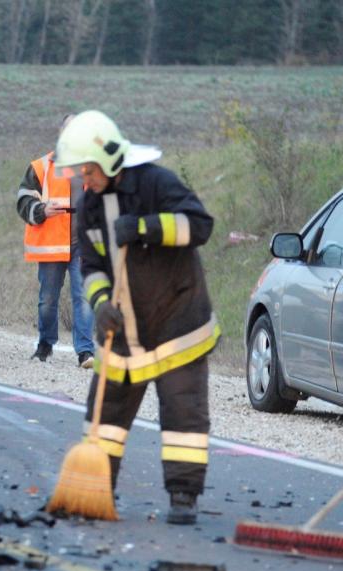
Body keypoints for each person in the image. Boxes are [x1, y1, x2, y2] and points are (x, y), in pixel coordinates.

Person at [55, 110, 219, 525]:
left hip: (176, 322)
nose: (84, 180)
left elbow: (199, 226)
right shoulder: (90, 206)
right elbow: (90, 266)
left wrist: (146, 228)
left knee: (183, 414)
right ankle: (96, 490)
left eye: (87, 171)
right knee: (104, 416)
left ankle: (183, 497)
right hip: (124, 328)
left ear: (108, 160)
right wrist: (102, 303)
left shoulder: (156, 183)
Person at [16, 114, 94, 368]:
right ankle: (45, 345)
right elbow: (23, 200)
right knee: (48, 300)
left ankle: (85, 353)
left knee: (83, 297)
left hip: (83, 244)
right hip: (51, 244)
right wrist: (41, 210)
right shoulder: (41, 166)